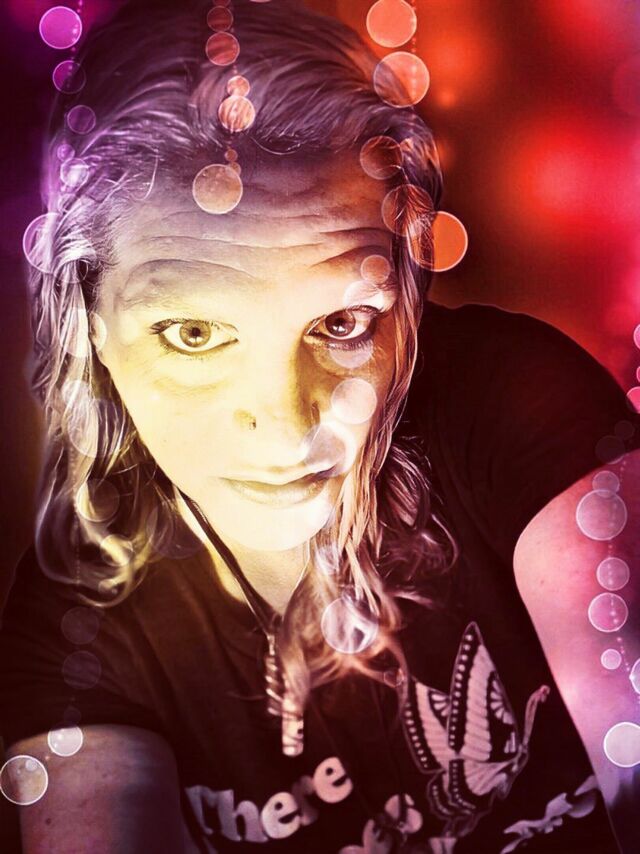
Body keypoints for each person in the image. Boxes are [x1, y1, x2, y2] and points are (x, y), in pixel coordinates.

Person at [1, 1, 638, 851]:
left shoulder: (511, 404)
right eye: (193, 333)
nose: (286, 421)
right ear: (90, 325)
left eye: (342, 325)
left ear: (407, 297)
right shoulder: (79, 616)